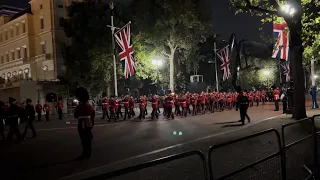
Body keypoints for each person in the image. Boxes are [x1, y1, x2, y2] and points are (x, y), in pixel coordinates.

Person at [74, 87, 95, 160]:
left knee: (84, 140)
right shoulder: (89, 106)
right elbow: (93, 115)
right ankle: (87, 153)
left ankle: (85, 154)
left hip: (81, 125)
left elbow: (75, 116)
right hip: (88, 124)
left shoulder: (79, 107)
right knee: (87, 139)